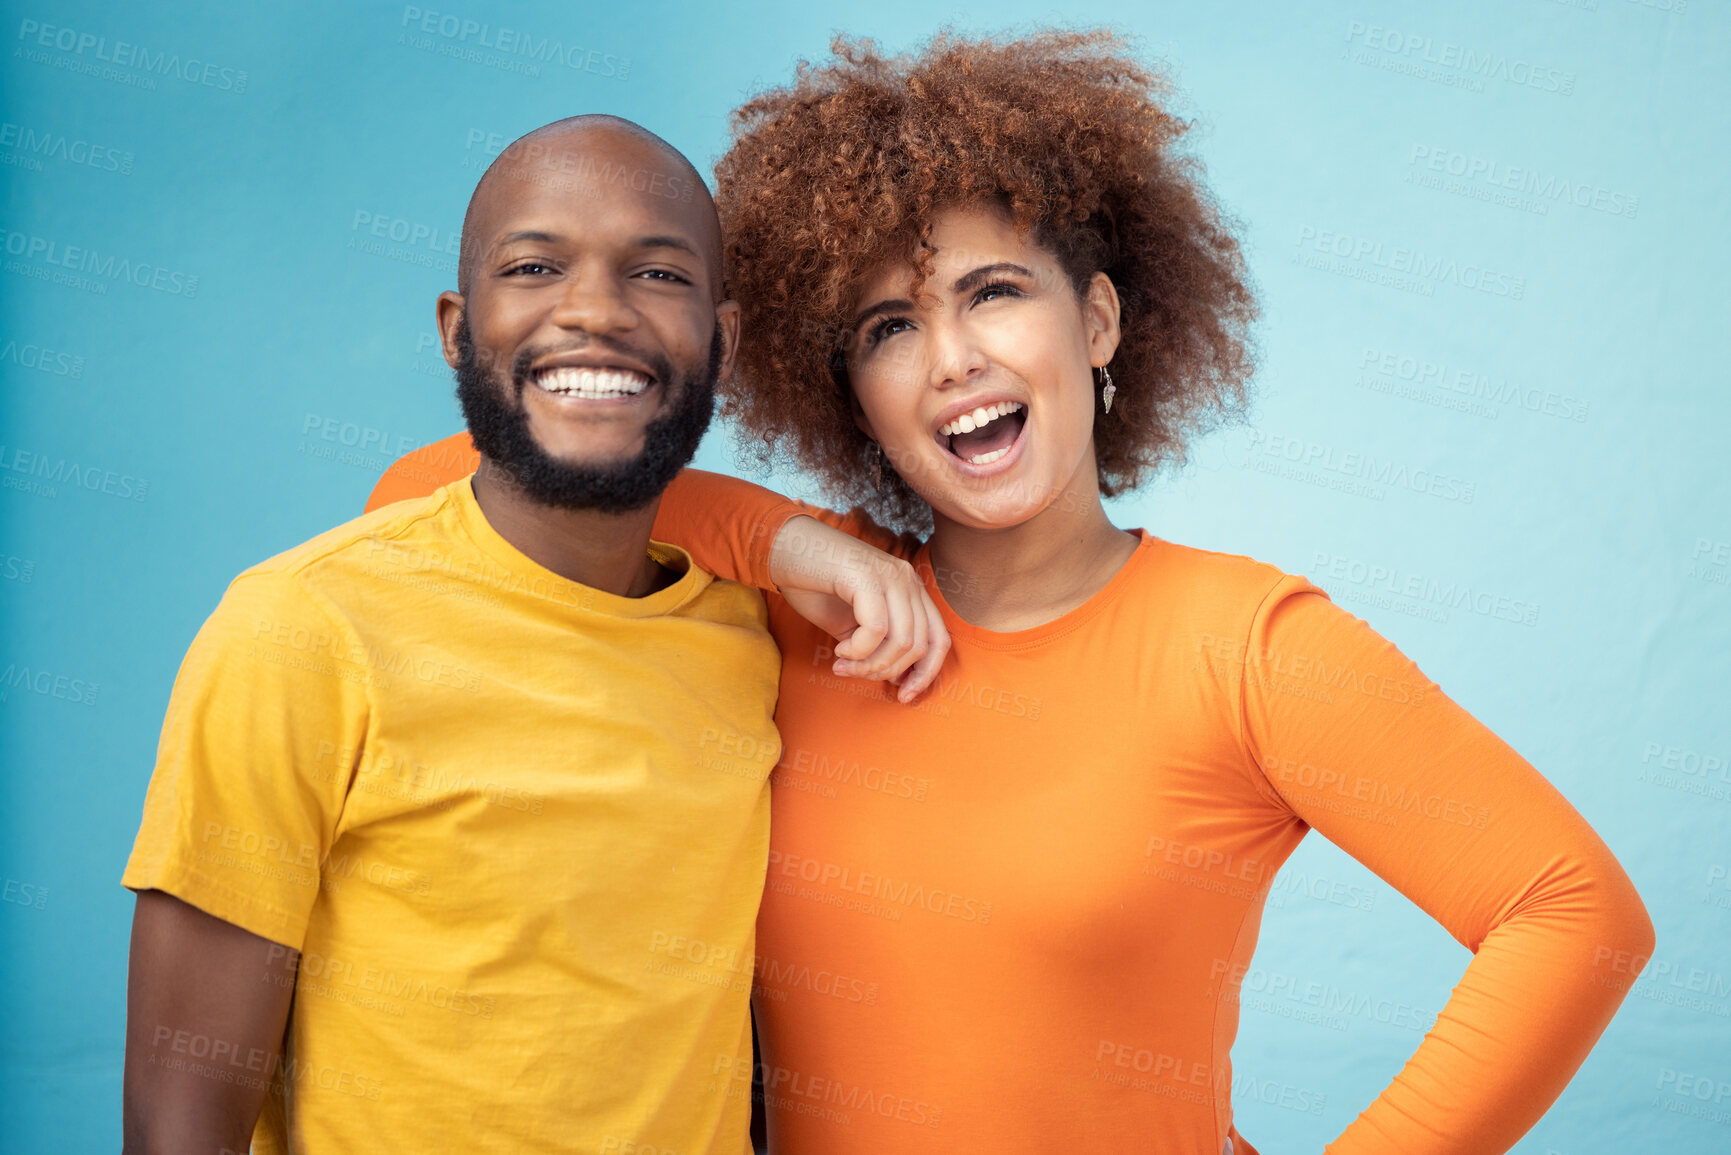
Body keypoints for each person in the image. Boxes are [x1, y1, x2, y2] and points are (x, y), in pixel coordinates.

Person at [368, 32, 1655, 1155]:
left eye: (994, 293)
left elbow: (1572, 911)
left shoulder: (1246, 645)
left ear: (1095, 322)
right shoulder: (804, 609)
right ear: (849, 396)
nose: (954, 361)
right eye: (889, 328)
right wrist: (794, 547)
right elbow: (420, 485)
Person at [121, 114, 941, 1154]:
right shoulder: (302, 630)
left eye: (657, 274)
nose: (595, 312)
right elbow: (177, 1115)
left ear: (724, 342)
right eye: (535, 265)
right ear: (457, 331)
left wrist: (784, 544)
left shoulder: (752, 647)